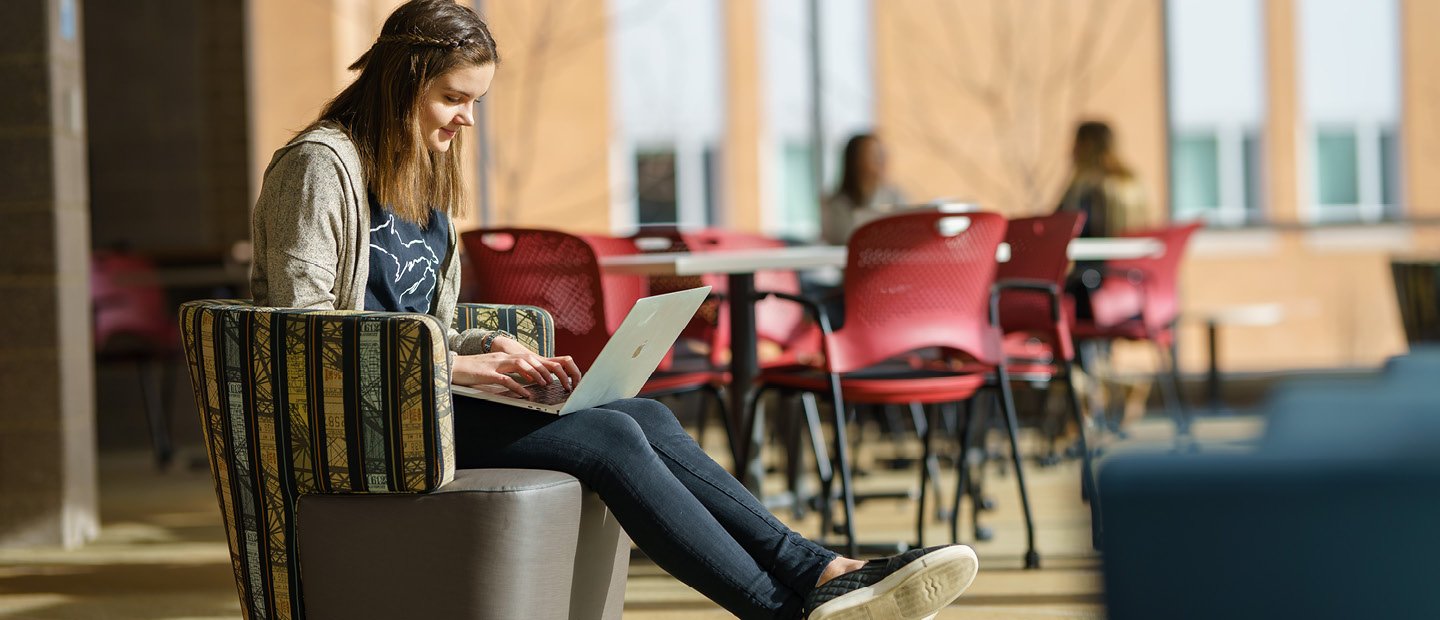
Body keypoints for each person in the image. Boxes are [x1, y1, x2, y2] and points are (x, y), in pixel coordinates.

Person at [248, 2, 977, 619]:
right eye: (454, 99)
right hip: (367, 423)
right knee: (609, 441)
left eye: (474, 103)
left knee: (646, 416)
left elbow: (424, 316)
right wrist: (455, 362)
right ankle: (784, 607)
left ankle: (818, 570)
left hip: (426, 401)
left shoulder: (419, 173)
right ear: (400, 84)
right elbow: (304, 335)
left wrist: (485, 350)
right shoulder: (320, 168)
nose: (466, 120)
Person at [1055, 120, 1153, 431]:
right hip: (1132, 290)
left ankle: (1085, 397)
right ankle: (1112, 382)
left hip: (1092, 290)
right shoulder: (1132, 182)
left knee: (1049, 304)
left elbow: (1058, 231)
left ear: (1083, 145)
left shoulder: (1087, 185)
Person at [819, 133, 908, 246]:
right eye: (874, 155)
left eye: (882, 154)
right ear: (855, 161)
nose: (881, 160)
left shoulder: (896, 196)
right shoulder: (834, 203)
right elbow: (844, 238)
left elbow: (904, 235)